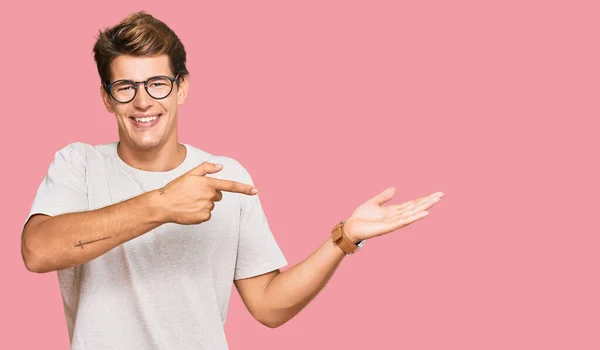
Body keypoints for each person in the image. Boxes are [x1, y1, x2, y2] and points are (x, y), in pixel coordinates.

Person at [21, 11, 444, 350]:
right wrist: (162, 204)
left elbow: (269, 306)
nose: (143, 100)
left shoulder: (226, 177)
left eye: (157, 83)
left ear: (182, 88)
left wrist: (343, 238)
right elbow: (38, 251)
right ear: (106, 97)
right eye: (125, 87)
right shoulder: (78, 164)